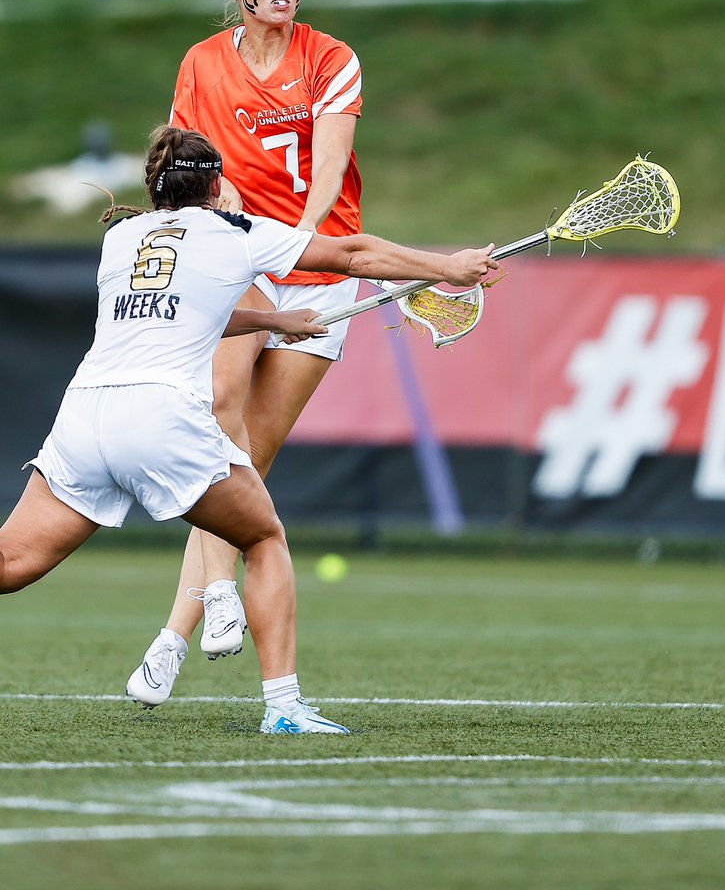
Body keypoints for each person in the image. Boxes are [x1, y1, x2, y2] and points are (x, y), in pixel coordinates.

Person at [1, 125, 497, 735]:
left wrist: (273, 318)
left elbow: (190, 303)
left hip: (85, 415)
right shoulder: (239, 233)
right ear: (216, 182)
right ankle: (284, 709)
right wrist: (448, 266)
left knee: (10, 564)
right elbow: (351, 254)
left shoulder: (121, 237)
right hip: (161, 420)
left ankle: (209, 629)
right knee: (263, 540)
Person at [125, 0, 372, 707]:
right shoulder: (201, 62)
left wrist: (301, 242)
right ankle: (214, 603)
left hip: (323, 266)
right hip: (242, 256)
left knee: (243, 470)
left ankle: (170, 637)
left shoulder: (331, 57)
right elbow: (185, 160)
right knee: (219, 403)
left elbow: (331, 166)